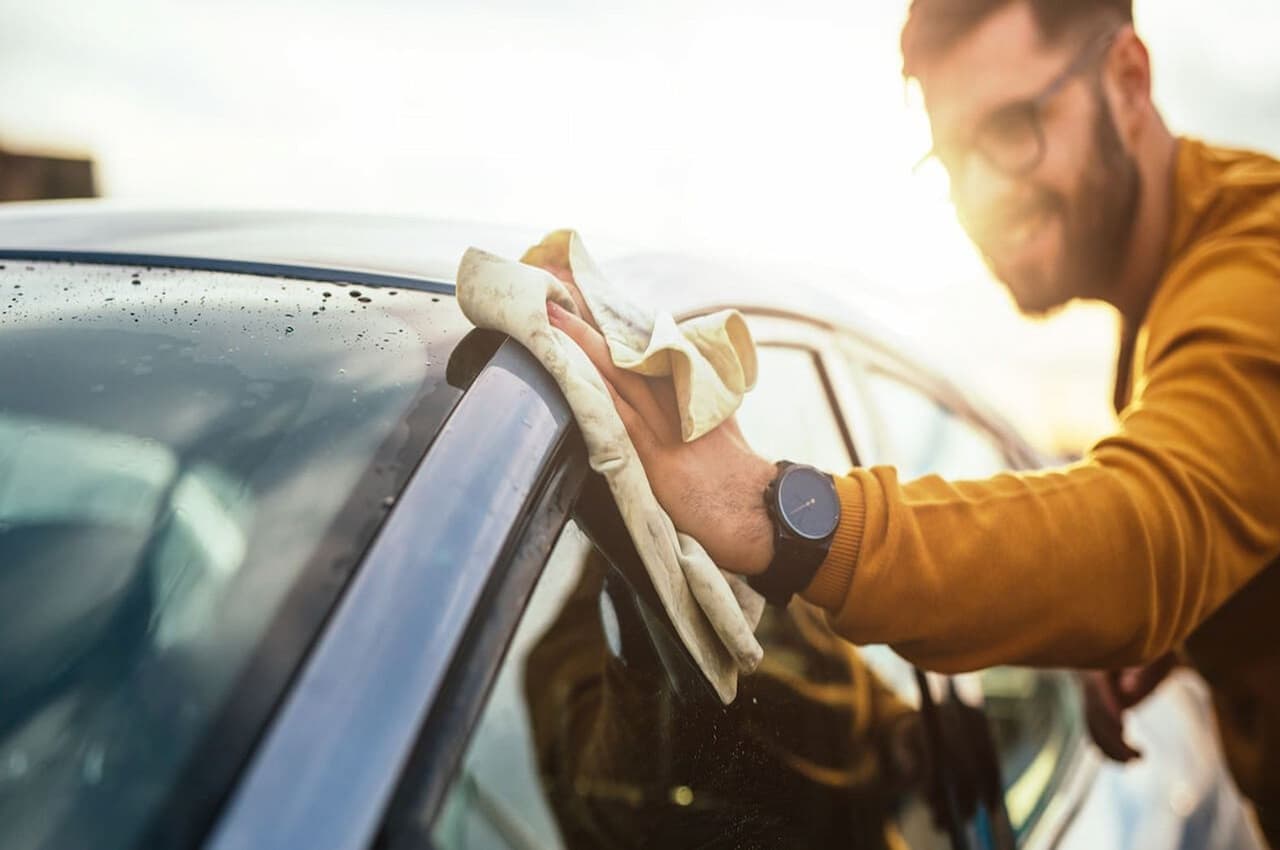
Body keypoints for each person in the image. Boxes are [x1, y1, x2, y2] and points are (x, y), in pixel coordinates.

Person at [537, 0, 1280, 843]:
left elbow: (1148, 530)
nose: (986, 198)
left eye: (1015, 127)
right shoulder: (1181, 293)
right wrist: (1200, 624)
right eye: (954, 160)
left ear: (1130, 80)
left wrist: (772, 510)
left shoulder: (1261, 258)